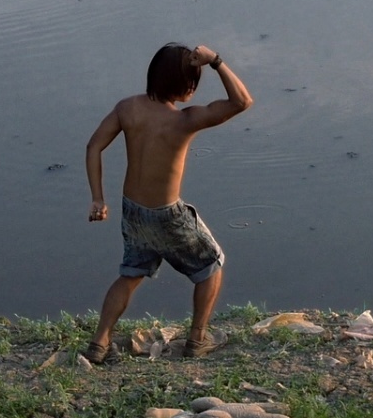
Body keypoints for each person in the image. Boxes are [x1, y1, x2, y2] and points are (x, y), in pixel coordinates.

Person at [81, 42, 254, 362]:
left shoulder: (127, 108)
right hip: (167, 215)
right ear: (187, 85)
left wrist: (97, 198)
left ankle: (99, 342)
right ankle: (197, 339)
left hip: (133, 211)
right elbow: (241, 101)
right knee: (211, 264)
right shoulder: (185, 121)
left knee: (130, 274)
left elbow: (93, 147)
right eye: (193, 81)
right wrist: (216, 61)